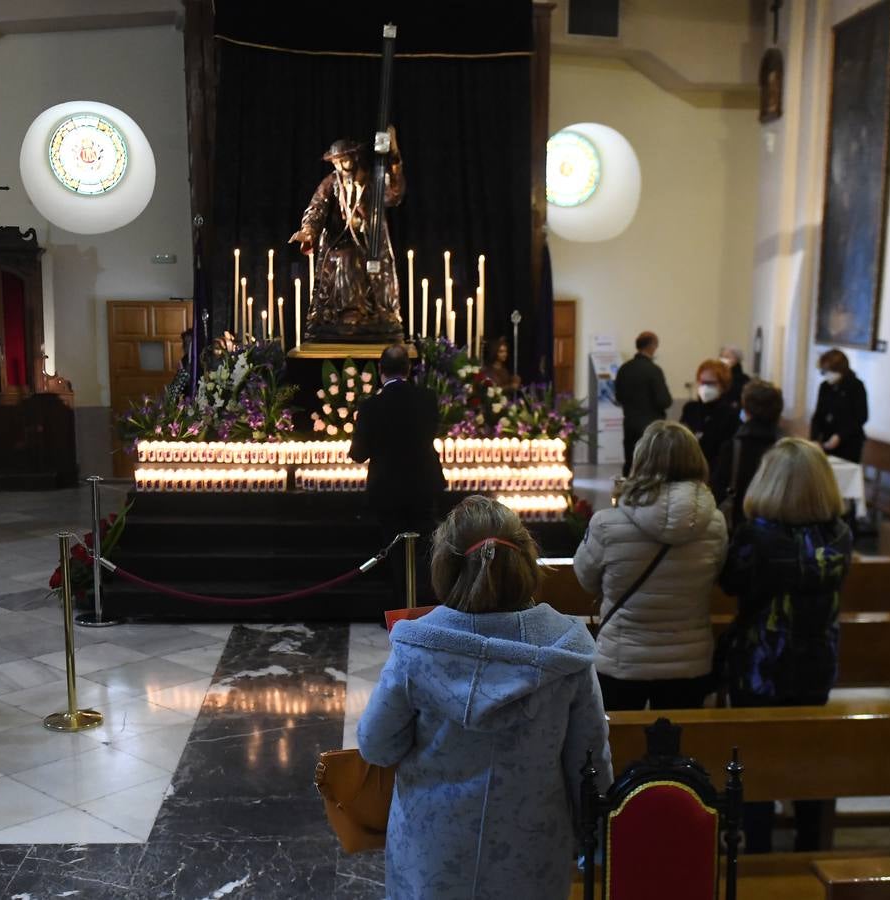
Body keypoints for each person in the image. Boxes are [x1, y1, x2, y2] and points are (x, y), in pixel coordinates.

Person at [359, 495, 614, 900]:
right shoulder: (566, 650)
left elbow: (376, 745)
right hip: (532, 851)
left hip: (434, 851)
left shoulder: (417, 648)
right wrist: (595, 841)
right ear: (527, 564)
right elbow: (590, 763)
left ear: (445, 566)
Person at [717, 437, 853, 853]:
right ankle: (809, 840)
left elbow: (730, 583)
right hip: (817, 661)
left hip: (763, 665)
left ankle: (757, 847)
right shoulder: (841, 536)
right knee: (805, 751)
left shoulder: (757, 537)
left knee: (755, 758)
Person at [575, 421, 728, 711]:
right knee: (680, 752)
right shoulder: (715, 523)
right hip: (689, 661)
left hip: (622, 659)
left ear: (641, 460)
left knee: (619, 748)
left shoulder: (607, 523)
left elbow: (586, 578)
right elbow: (716, 575)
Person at [349, 345, 446, 605]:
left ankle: (401, 607)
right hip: (423, 484)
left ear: (380, 370)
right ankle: (425, 604)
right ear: (409, 369)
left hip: (388, 488)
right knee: (425, 546)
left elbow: (359, 453)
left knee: (395, 549)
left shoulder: (371, 406)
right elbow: (433, 432)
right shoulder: (427, 398)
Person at [290, 130, 405, 343]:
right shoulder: (331, 183)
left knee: (364, 261)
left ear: (354, 158)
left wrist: (394, 159)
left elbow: (394, 194)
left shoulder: (372, 180)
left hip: (370, 241)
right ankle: (344, 312)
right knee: (343, 258)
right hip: (340, 241)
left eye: (344, 161)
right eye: (337, 163)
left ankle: (371, 312)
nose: (341, 167)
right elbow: (317, 207)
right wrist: (308, 231)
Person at [711, 380, 784, 531]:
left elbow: (717, 491)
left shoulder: (733, 448)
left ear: (747, 409)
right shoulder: (786, 447)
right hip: (779, 527)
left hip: (740, 525)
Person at [614, 331, 672, 473]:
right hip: (651, 427)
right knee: (650, 464)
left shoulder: (624, 368)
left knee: (630, 462)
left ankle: (627, 492)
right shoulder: (653, 370)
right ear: (652, 346)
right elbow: (664, 400)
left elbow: (619, 397)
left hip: (630, 424)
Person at [679, 359, 740, 472]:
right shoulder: (690, 409)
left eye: (711, 383)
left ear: (723, 385)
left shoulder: (730, 415)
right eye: (703, 382)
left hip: (714, 471)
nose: (705, 387)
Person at [810, 348, 869, 462]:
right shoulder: (825, 387)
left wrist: (840, 436)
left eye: (828, 371)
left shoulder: (856, 386)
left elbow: (861, 417)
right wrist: (815, 438)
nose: (826, 375)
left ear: (839, 370)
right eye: (823, 371)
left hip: (849, 444)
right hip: (827, 440)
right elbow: (818, 415)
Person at [720, 346, 752, 411]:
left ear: (736, 359)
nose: (723, 360)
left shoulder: (744, 379)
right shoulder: (718, 376)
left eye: (727, 357)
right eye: (722, 357)